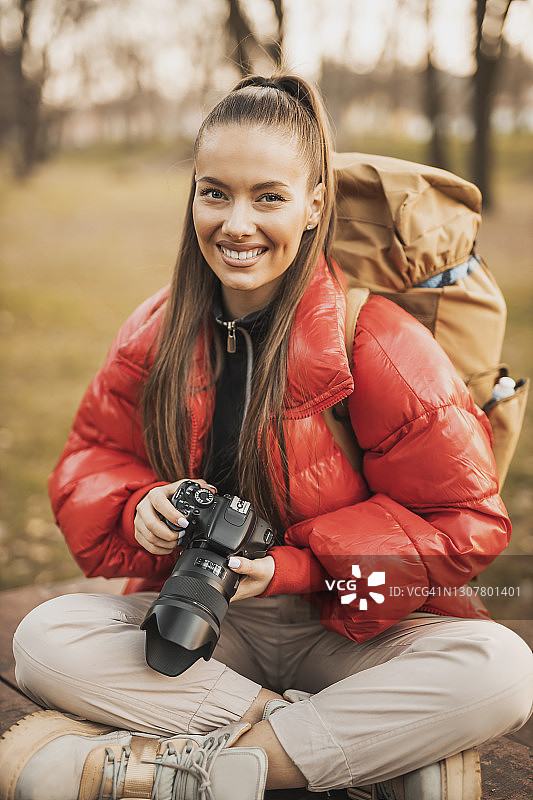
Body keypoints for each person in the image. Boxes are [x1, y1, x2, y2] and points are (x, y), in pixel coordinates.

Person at [1, 74, 532, 800]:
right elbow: (89, 462)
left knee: (499, 668)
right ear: (192, 193)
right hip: (211, 627)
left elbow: (466, 526)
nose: (236, 224)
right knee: (43, 641)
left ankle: (175, 773)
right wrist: (138, 506)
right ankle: (355, 746)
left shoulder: (374, 340)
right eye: (215, 192)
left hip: (348, 629)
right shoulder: (154, 332)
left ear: (315, 204)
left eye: (268, 196)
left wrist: (296, 568)